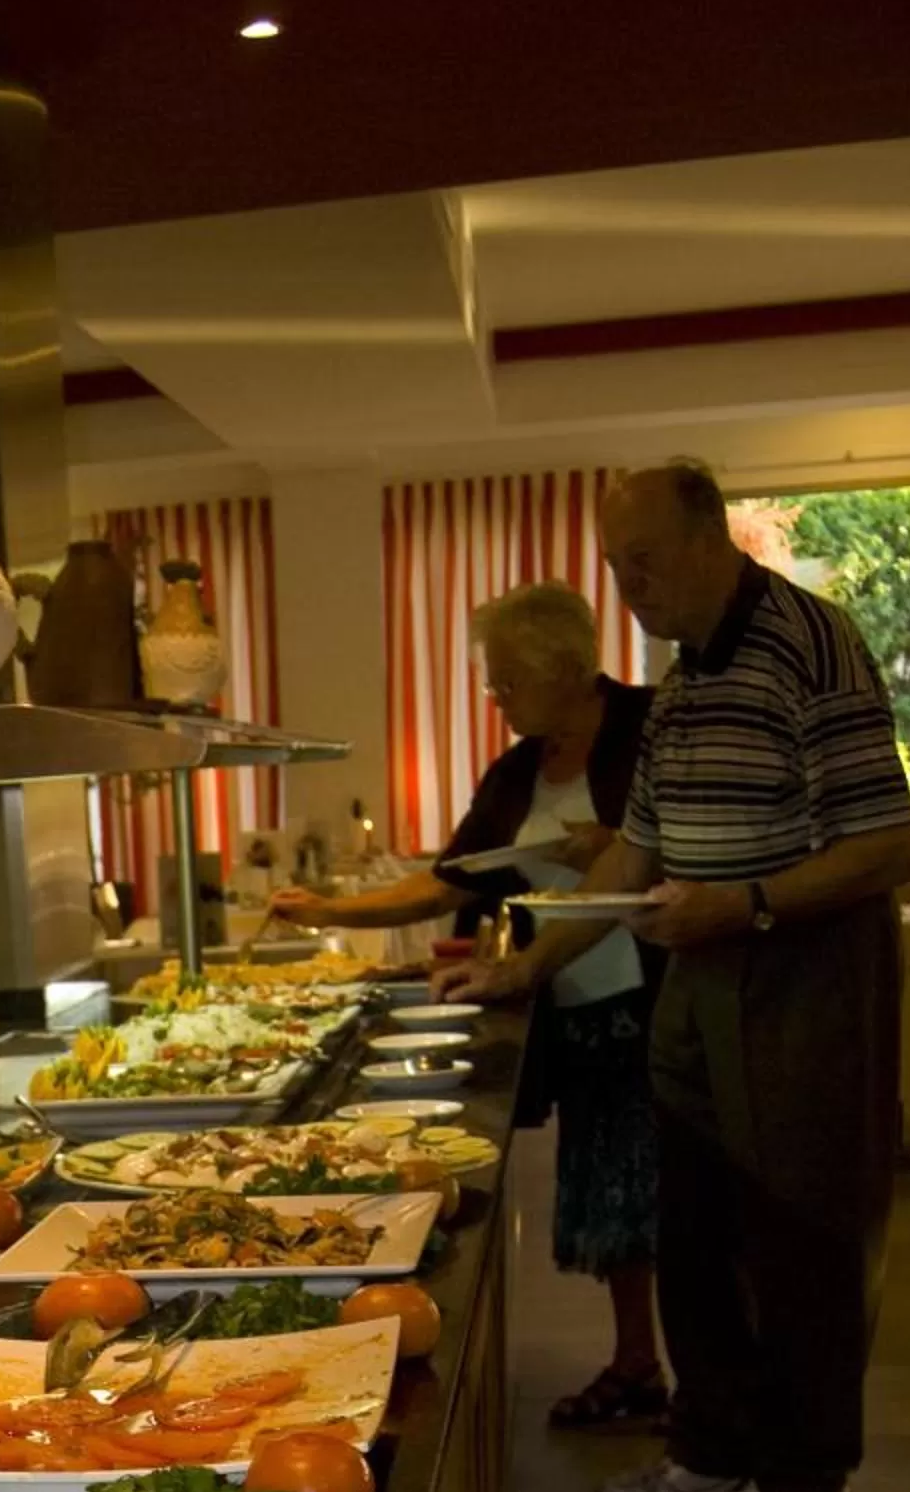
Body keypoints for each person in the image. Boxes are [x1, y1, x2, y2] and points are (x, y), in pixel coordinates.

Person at [546, 461, 910, 1492]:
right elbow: (635, 849)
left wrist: (745, 903)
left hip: (803, 963)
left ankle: (814, 1482)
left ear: (715, 541)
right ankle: (710, 1452)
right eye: (616, 567)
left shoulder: (809, 646)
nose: (630, 586)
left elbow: (886, 845)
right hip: (699, 965)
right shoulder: (681, 675)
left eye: (647, 560)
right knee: (697, 1225)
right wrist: (528, 964)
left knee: (802, 1228)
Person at [275, 582, 663, 1424]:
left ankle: (682, 1382)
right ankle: (641, 1366)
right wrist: (331, 911)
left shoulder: (648, 728)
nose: (496, 697)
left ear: (565, 668)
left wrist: (614, 848)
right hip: (576, 1000)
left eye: (507, 681)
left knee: (665, 1195)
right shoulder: (521, 766)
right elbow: (452, 876)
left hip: (662, 995)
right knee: (610, 1189)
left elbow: (684, 851)